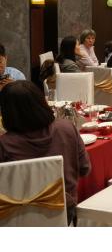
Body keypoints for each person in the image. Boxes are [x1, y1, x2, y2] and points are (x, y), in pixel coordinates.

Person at [0, 80, 91, 225]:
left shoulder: (4, 144)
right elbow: (85, 169)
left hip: (15, 219)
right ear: (41, 102)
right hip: (64, 211)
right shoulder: (66, 128)